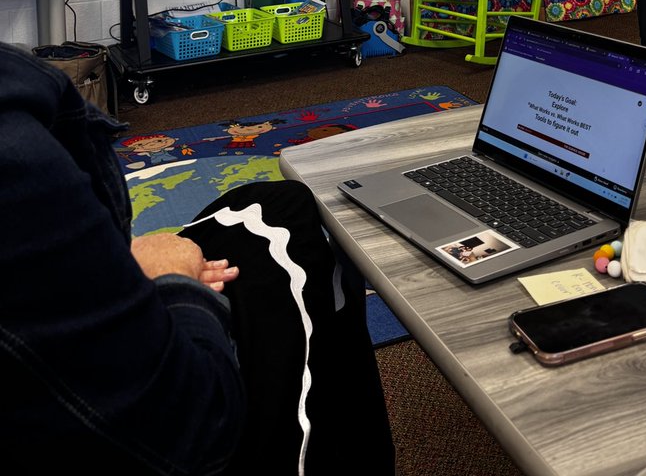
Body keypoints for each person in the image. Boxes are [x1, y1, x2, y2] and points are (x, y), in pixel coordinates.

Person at [0, 41, 395, 474]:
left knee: (273, 200)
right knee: (283, 221)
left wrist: (120, 260)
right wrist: (175, 280)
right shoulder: (16, 155)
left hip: (74, 345)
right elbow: (194, 426)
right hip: (183, 420)